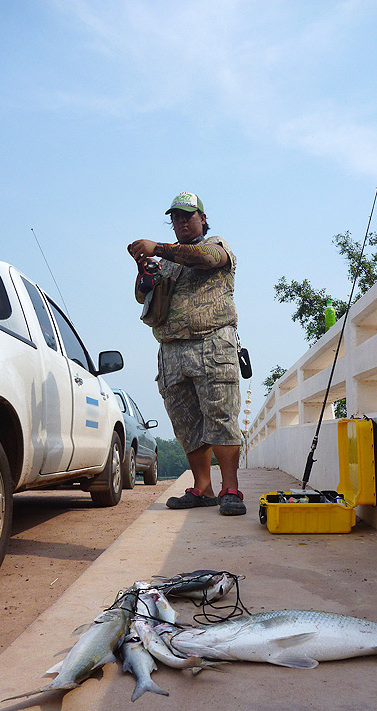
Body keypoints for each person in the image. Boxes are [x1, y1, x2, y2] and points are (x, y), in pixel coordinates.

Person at [128, 191, 246, 516]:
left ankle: (231, 488)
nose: (181, 222)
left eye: (187, 216)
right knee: (186, 423)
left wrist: (157, 247)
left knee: (220, 417)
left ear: (202, 219)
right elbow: (143, 298)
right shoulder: (166, 263)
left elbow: (205, 259)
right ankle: (203, 487)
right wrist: (145, 274)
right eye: (176, 218)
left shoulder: (217, 245)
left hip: (212, 343)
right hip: (170, 352)